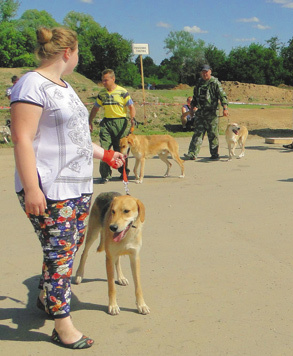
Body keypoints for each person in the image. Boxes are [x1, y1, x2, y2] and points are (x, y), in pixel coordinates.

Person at [10, 27, 125, 349]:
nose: (78, 59)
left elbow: (75, 137)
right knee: (60, 257)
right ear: (67, 52)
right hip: (50, 189)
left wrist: (105, 154)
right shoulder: (31, 85)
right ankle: (63, 324)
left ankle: (47, 297)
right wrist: (33, 188)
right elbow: (21, 138)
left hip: (77, 187)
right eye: (78, 54)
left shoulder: (64, 86)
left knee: (65, 250)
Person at [88, 69, 136, 183]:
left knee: (120, 149)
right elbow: (95, 108)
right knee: (104, 149)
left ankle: (123, 172)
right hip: (107, 123)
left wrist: (132, 119)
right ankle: (105, 175)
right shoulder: (102, 94)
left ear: (113, 79)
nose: (103, 83)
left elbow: (131, 107)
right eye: (102, 80)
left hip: (121, 123)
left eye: (106, 80)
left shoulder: (122, 92)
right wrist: (89, 121)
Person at [184, 64, 229, 160]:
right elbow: (195, 97)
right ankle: (192, 153)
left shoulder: (215, 83)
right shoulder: (199, 83)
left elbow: (222, 96)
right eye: (203, 72)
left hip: (212, 113)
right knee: (197, 133)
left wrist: (225, 108)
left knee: (212, 134)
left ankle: (214, 154)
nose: (205, 74)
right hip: (201, 112)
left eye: (206, 72)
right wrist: (192, 109)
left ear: (210, 71)